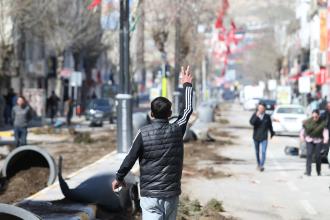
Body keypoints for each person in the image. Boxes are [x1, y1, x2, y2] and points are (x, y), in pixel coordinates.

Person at [112, 66, 193, 220]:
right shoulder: (177, 129)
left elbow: (130, 158)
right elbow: (188, 109)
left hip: (150, 196)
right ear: (169, 114)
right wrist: (187, 85)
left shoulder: (143, 133)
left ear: (151, 114)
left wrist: (119, 178)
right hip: (171, 195)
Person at [300, 109, 329, 176]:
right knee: (309, 154)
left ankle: (318, 171)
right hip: (309, 140)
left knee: (318, 156)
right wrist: (301, 137)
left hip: (318, 140)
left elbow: (325, 131)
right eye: (313, 116)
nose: (314, 118)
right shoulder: (307, 122)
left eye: (316, 117)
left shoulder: (322, 123)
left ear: (319, 116)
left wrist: (326, 139)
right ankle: (308, 171)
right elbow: (303, 130)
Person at [249, 102, 275, 172]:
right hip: (256, 137)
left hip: (264, 137)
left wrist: (272, 133)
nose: (260, 109)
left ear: (264, 109)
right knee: (257, 152)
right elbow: (251, 123)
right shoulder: (255, 115)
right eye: (259, 108)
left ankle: (261, 165)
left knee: (263, 151)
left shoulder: (267, 117)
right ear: (258, 108)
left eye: (262, 108)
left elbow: (270, 126)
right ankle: (258, 163)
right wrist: (256, 116)